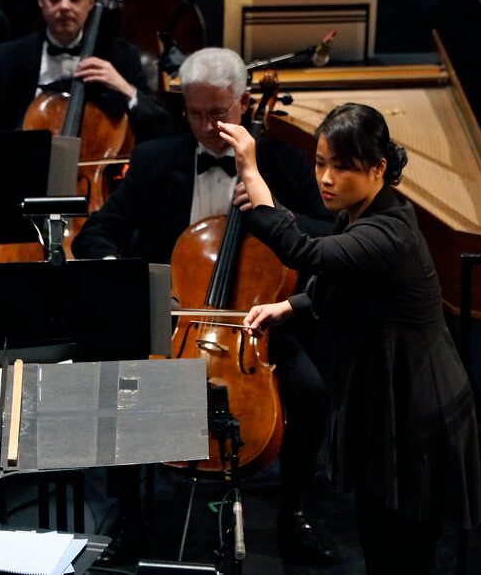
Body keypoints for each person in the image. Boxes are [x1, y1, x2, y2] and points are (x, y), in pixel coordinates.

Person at [71, 47, 337, 565]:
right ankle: (126, 513)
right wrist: (117, 267)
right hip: (178, 320)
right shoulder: (155, 158)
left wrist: (276, 211)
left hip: (259, 322)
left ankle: (294, 512)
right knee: (123, 381)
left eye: (218, 113)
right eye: (194, 113)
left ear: (243, 103)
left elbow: (331, 234)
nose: (206, 126)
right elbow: (101, 230)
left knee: (310, 391)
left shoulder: (281, 163)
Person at [219, 102, 481, 573]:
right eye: (320, 163)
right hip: (386, 396)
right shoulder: (364, 213)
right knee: (379, 540)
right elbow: (343, 279)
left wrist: (252, 175)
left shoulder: (389, 230)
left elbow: (305, 251)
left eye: (341, 167)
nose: (325, 178)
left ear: (379, 168)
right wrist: (290, 306)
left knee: (403, 553)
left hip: (415, 408)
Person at [0, 0, 172, 140]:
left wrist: (126, 89)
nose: (65, 6)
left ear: (91, 1)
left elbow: (162, 129)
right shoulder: (3, 60)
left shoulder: (120, 56)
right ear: (40, 0)